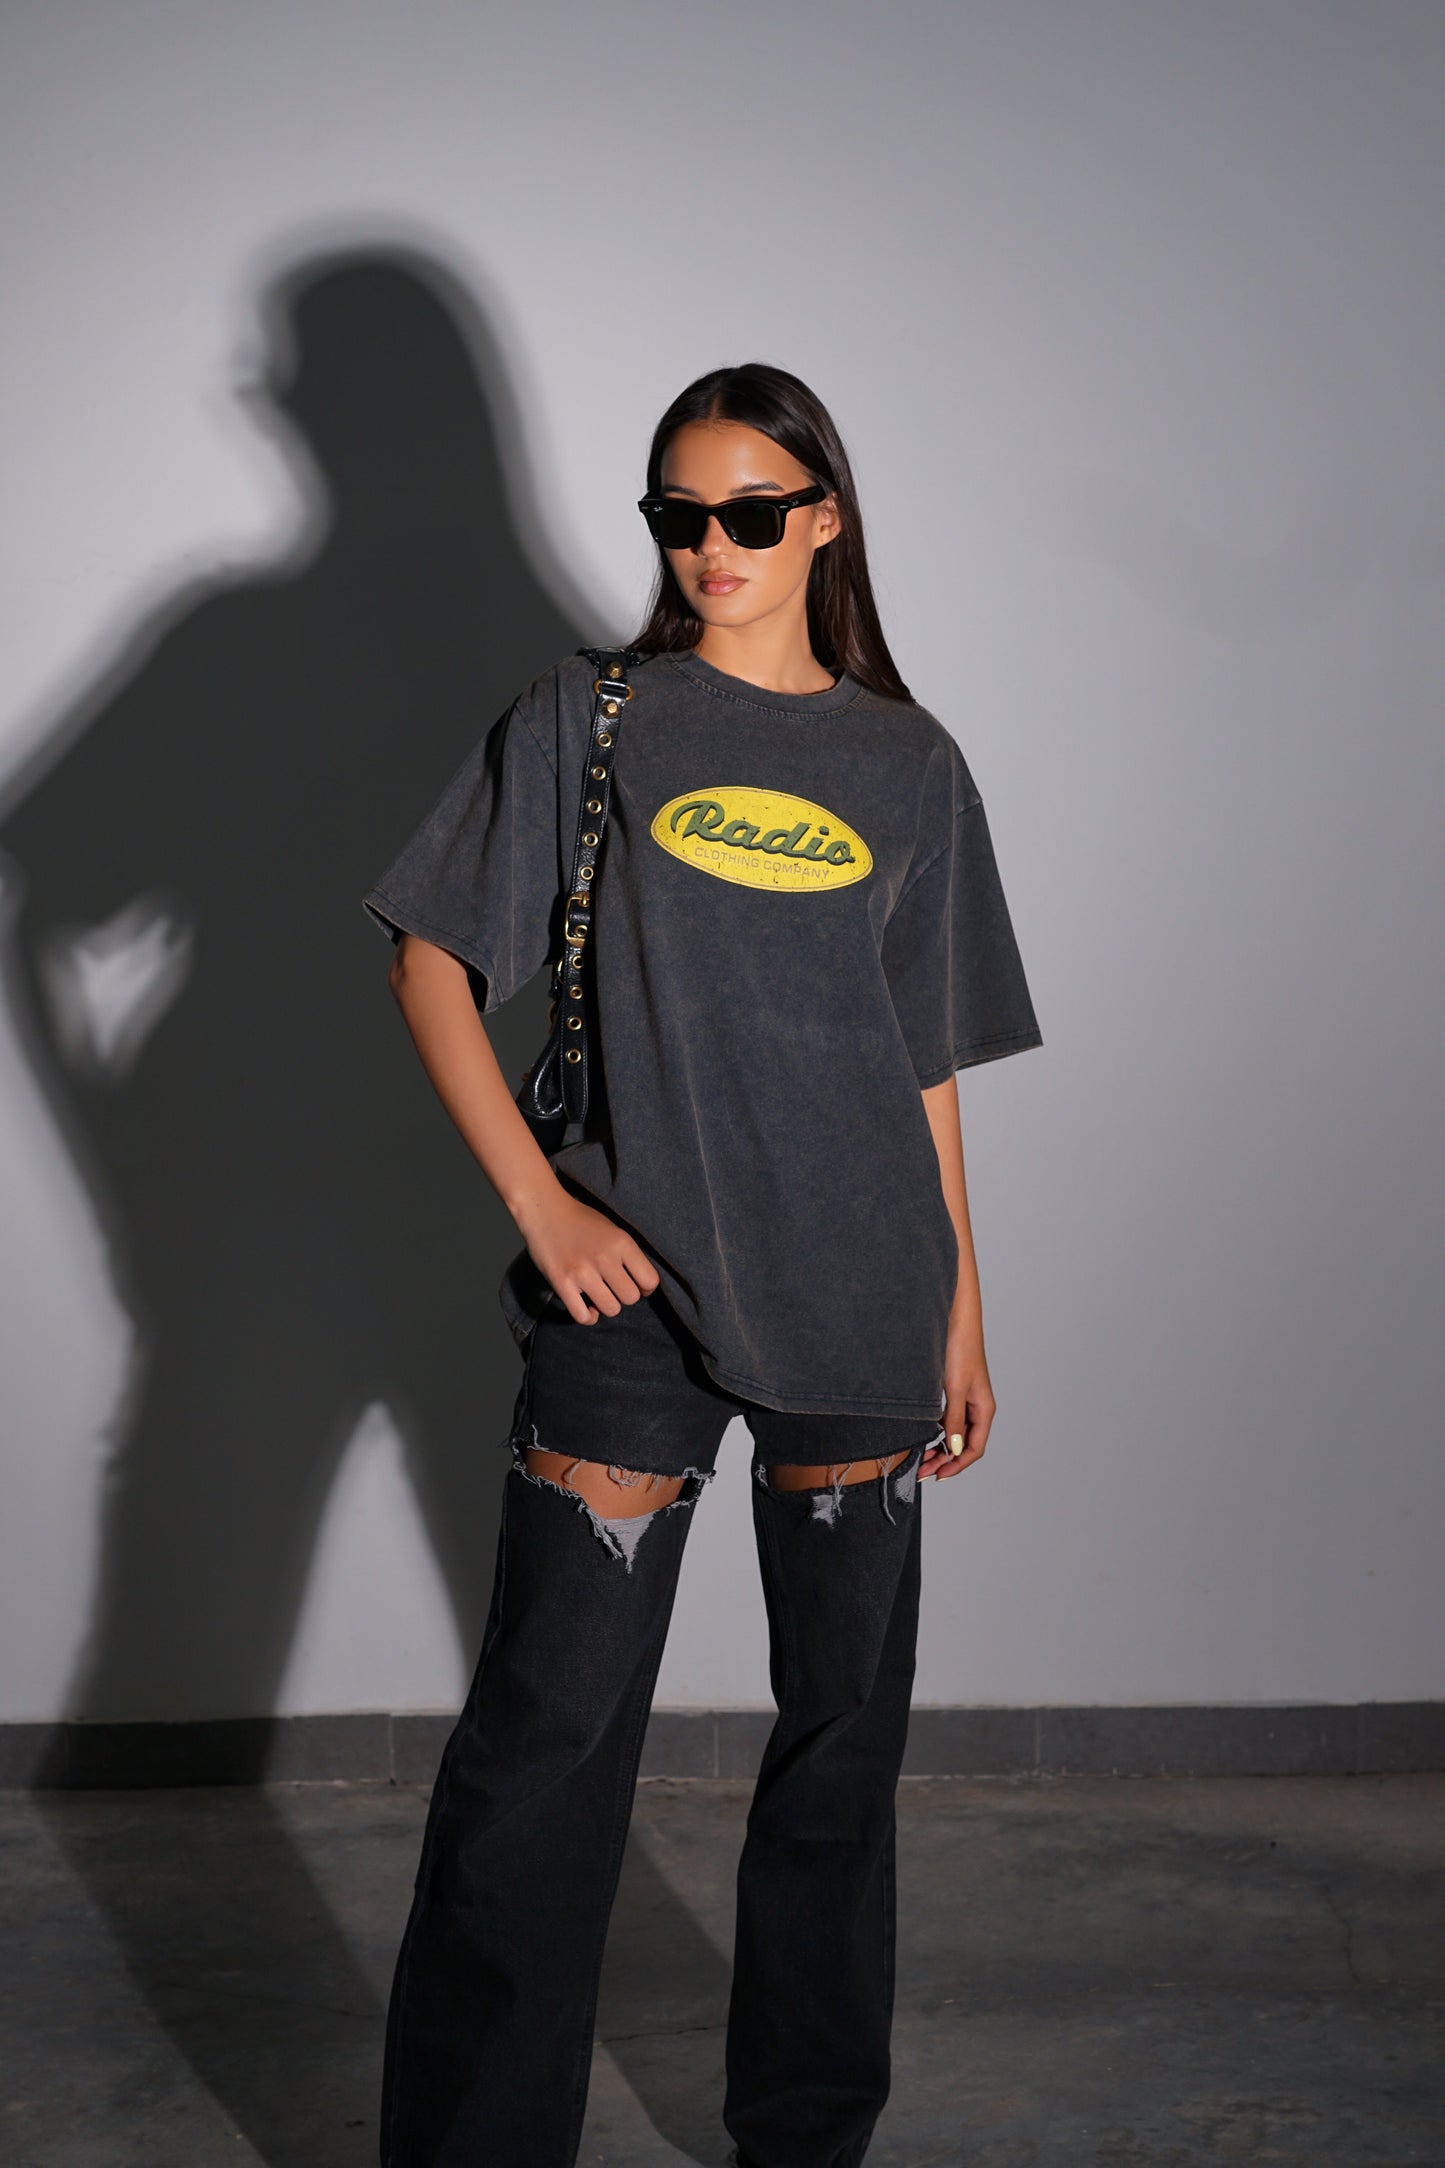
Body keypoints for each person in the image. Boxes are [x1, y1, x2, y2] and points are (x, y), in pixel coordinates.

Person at [359, 361, 1043, 2168]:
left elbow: (922, 1065)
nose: (709, 545)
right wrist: (543, 1206)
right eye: (678, 513)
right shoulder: (590, 719)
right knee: (541, 1750)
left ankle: (803, 2142)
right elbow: (430, 960)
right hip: (631, 1310)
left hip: (861, 1299)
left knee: (838, 1760)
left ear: (823, 517)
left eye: (749, 511)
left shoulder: (908, 763)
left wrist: (963, 1309)